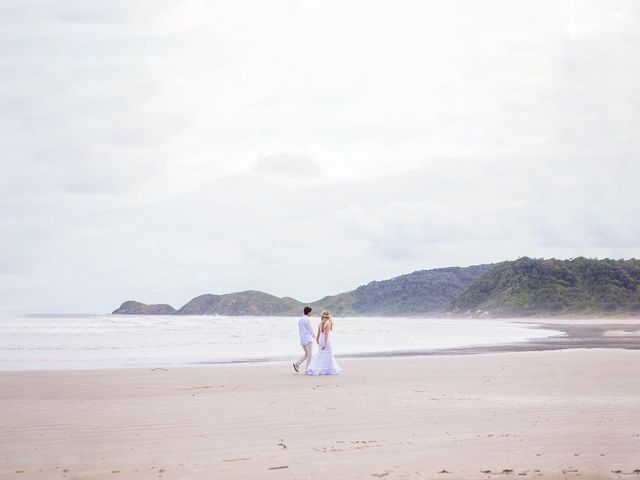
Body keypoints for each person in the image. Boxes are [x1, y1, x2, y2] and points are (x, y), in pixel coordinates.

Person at [306, 310, 342, 375]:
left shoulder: (320, 323)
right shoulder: (328, 323)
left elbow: (318, 333)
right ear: (329, 316)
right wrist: (325, 343)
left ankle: (318, 368)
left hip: (320, 340)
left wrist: (317, 340)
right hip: (326, 341)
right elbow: (326, 335)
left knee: (320, 354)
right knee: (328, 354)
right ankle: (327, 369)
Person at [293, 306, 316, 373]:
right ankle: (307, 369)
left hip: (302, 339)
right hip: (307, 339)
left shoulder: (300, 320)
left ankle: (296, 364)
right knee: (309, 355)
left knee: (307, 354)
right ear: (309, 312)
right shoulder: (307, 320)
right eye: (311, 312)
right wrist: (316, 337)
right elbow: (310, 330)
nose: (311, 313)